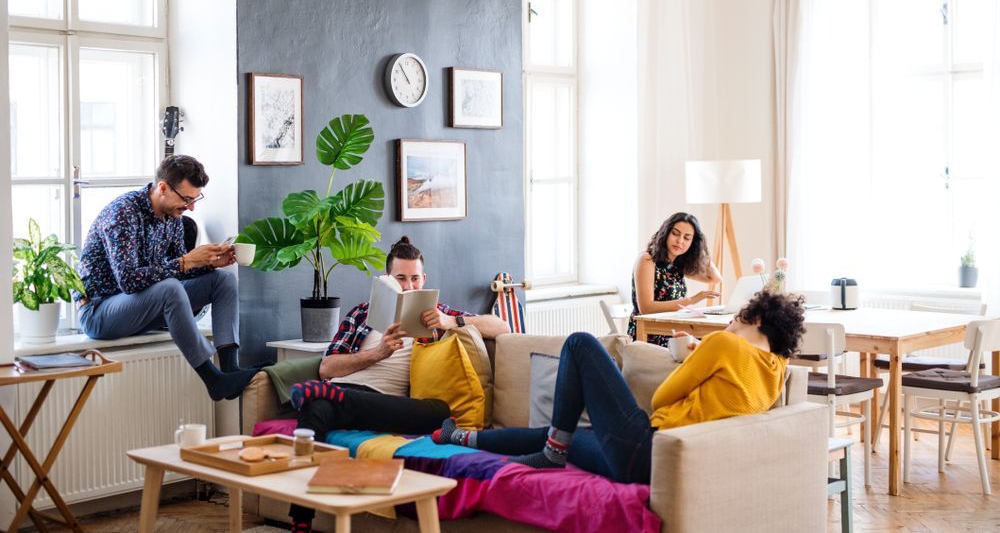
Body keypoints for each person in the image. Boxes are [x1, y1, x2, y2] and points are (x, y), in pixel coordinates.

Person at [434, 291, 806, 484]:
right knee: (559, 437)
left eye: (737, 318)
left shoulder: (724, 345)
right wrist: (699, 351)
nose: (729, 324)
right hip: (655, 467)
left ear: (754, 318)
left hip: (647, 447)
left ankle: (550, 451)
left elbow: (662, 398)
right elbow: (723, 395)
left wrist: (703, 348)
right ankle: (461, 438)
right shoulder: (776, 371)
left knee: (580, 343)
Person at [288, 236, 510, 533]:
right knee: (314, 413)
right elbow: (327, 367)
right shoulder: (362, 313)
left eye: (415, 279)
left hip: (386, 405)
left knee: (439, 412)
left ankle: (325, 395)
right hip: (344, 390)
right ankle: (301, 522)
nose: (409, 287)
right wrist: (377, 353)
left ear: (424, 279)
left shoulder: (438, 315)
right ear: (387, 280)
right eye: (401, 279)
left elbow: (502, 327)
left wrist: (449, 322)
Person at [75, 155, 259, 401]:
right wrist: (187, 261)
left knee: (222, 281)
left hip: (143, 308)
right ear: (162, 187)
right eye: (186, 199)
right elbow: (128, 281)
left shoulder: (172, 218)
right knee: (170, 288)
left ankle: (229, 369)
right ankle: (212, 380)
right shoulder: (122, 214)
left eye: (195, 199)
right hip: (100, 311)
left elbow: (178, 269)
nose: (191, 207)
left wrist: (208, 263)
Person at [630, 212, 722, 345]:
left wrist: (701, 249)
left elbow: (714, 278)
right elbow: (646, 308)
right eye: (675, 233)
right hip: (649, 335)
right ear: (666, 233)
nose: (680, 241)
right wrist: (693, 299)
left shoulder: (678, 265)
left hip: (673, 331)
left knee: (717, 341)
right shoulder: (647, 260)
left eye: (687, 238)